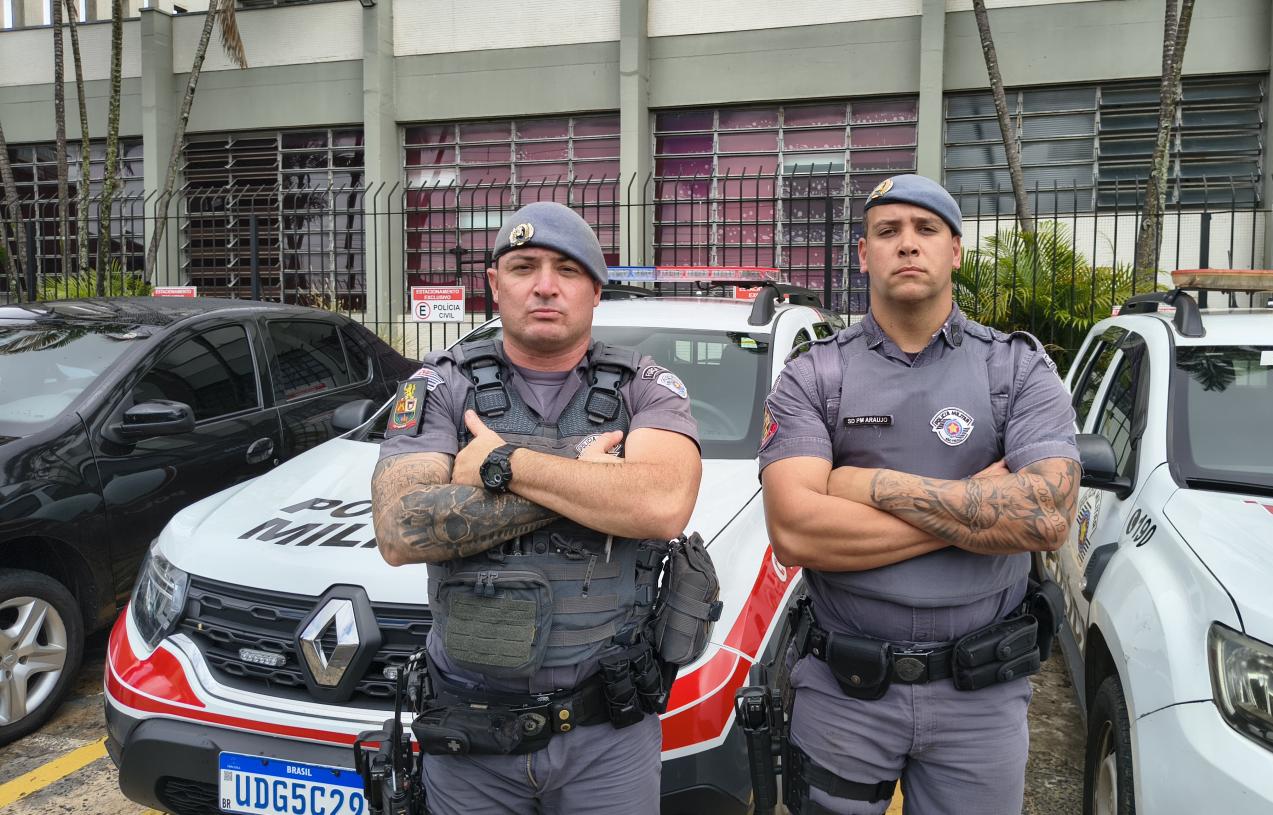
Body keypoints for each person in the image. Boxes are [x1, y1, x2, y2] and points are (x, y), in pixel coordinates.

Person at [759, 174, 1081, 815]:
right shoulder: (816, 375)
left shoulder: (1016, 369)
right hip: (844, 692)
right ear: (864, 254)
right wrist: (974, 502)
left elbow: (1047, 516)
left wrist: (865, 486)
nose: (908, 245)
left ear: (955, 250)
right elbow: (795, 532)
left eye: (926, 229)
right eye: (888, 232)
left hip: (981, 696)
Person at [370, 201, 703, 815]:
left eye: (567, 270)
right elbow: (401, 528)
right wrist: (591, 481)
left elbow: (660, 503)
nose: (546, 286)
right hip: (469, 735)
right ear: (496, 284)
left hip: (607, 735)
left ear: (595, 291)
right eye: (524, 267)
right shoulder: (440, 386)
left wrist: (504, 465)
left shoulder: (644, 385)